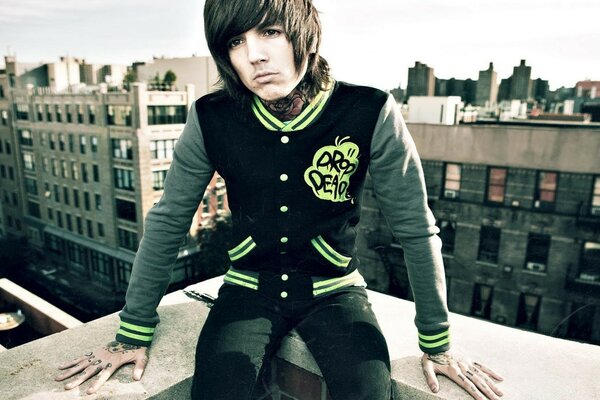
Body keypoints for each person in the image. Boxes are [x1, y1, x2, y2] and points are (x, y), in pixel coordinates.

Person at [55, 0, 505, 399]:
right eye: (236, 41)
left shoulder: (369, 110)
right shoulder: (212, 117)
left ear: (305, 35)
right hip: (248, 289)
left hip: (336, 291)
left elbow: (415, 228)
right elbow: (169, 218)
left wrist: (438, 341)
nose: (254, 54)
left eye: (270, 31)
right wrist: (132, 332)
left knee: (368, 391)